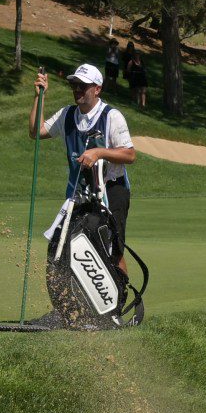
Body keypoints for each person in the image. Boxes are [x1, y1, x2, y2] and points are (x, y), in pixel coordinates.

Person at [28, 63, 137, 271]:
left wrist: (99, 152)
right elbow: (36, 132)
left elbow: (130, 155)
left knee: (112, 250)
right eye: (74, 84)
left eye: (83, 85)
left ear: (97, 89)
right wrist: (38, 97)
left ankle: (118, 299)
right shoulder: (67, 114)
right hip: (79, 192)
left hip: (112, 190)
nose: (77, 89)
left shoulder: (111, 116)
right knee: (67, 244)